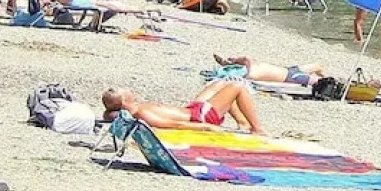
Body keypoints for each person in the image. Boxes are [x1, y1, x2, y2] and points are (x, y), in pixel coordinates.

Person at [101, 80, 266, 134]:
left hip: (193, 110)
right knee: (237, 87)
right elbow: (175, 125)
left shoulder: (136, 108)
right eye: (125, 90)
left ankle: (243, 123)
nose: (129, 90)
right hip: (200, 117)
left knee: (221, 84)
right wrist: (207, 127)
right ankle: (257, 128)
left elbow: (108, 114)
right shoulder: (142, 113)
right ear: (124, 100)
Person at [212, 54, 327, 86]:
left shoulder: (253, 69)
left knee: (318, 66)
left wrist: (232, 61)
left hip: (288, 70)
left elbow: (246, 59)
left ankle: (326, 76)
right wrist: (233, 61)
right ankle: (329, 80)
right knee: (323, 82)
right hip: (291, 77)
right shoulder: (252, 73)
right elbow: (247, 58)